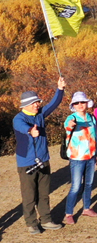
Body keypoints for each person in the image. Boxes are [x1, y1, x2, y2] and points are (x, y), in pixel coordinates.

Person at [13, 79, 66, 233]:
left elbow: (54, 104)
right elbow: (22, 127)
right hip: (26, 162)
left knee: (44, 193)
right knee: (29, 195)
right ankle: (31, 223)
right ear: (26, 105)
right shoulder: (19, 118)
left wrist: (60, 89)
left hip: (43, 160)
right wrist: (31, 131)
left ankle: (46, 220)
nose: (37, 104)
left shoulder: (41, 114)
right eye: (34, 103)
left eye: (37, 102)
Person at [62, 91, 97, 224]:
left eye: (82, 102)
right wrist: (70, 125)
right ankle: (69, 213)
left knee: (89, 184)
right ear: (73, 105)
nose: (80, 105)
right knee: (76, 186)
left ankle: (86, 208)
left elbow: (96, 137)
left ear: (87, 104)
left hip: (91, 157)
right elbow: (67, 126)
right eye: (77, 103)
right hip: (77, 158)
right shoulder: (71, 118)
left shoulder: (91, 118)